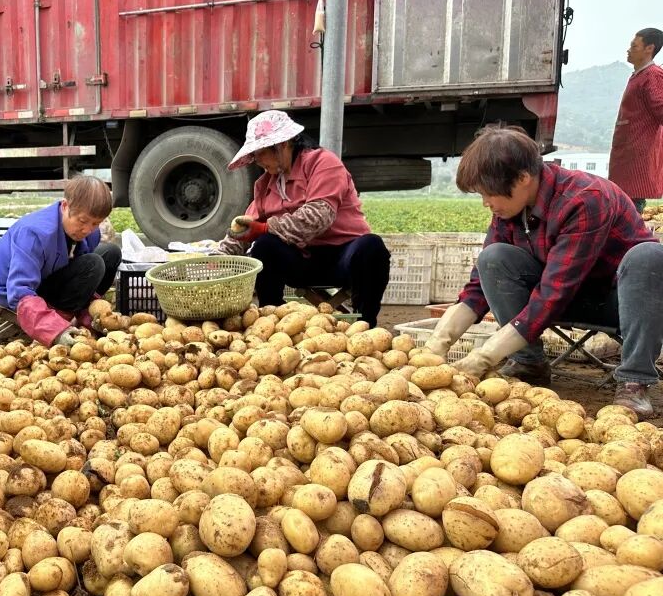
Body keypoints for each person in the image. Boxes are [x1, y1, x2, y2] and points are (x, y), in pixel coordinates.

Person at [425, 124, 663, 418]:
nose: (486, 203)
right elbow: (477, 289)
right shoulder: (511, 208)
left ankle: (634, 382)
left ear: (523, 178)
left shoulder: (585, 198)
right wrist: (439, 342)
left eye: (489, 194)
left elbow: (553, 293)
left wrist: (485, 356)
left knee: (648, 256)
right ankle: (529, 364)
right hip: (564, 299)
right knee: (493, 258)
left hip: (620, 303)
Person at [216, 110, 391, 328]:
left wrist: (263, 228)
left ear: (283, 145)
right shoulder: (266, 184)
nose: (258, 160)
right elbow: (243, 228)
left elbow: (318, 216)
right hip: (303, 261)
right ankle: (273, 322)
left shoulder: (323, 163)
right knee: (265, 247)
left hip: (344, 257)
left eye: (261, 152)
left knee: (372, 246)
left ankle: (365, 323)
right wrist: (217, 259)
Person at [0, 175, 121, 347]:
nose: (87, 229)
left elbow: (82, 268)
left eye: (95, 223)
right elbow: (19, 291)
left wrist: (95, 315)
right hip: (15, 291)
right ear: (65, 206)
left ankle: (85, 318)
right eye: (82, 221)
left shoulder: (90, 232)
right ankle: (59, 319)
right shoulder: (34, 234)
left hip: (48, 278)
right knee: (93, 265)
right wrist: (55, 331)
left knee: (110, 253)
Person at [608, 27, 663, 212]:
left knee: (630, 208)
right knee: (623, 203)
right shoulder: (639, 75)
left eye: (634, 45)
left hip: (638, 156)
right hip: (627, 153)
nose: (629, 49)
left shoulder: (652, 75)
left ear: (649, 48)